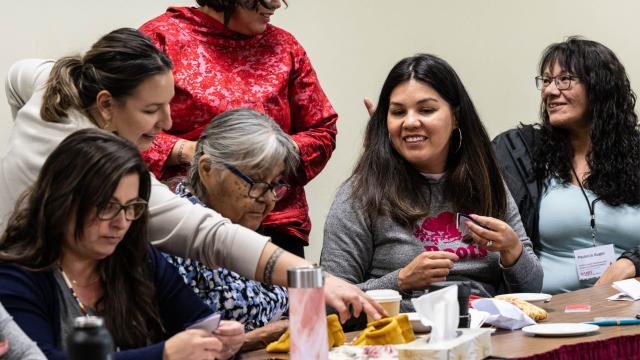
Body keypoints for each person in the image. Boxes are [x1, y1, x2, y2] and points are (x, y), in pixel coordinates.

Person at [0, 28, 384, 325]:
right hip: (27, 277)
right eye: (152, 109)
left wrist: (22, 133)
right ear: (106, 105)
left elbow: (17, 76)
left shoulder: (61, 85)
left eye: (168, 104)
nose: (167, 123)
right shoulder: (95, 171)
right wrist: (313, 278)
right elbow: (209, 234)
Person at [321, 54, 543, 315]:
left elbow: (532, 289)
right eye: (398, 112)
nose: (411, 122)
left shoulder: (485, 180)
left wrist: (512, 250)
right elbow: (328, 305)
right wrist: (400, 281)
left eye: (426, 110)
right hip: (404, 339)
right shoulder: (360, 194)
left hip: (488, 333)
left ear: (456, 118)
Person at [0, 129, 246, 359]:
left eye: (132, 207)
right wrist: (163, 354)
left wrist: (221, 337)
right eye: (108, 206)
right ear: (63, 201)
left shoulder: (135, 255)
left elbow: (197, 320)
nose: (122, 222)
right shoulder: (17, 274)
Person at [139, 0, 338, 257]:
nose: (276, 3)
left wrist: (266, 159)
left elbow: (322, 130)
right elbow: (121, 130)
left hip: (274, 226)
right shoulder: (161, 39)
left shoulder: (285, 47)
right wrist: (187, 151)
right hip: (186, 224)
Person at [492, 37, 640, 294]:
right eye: (547, 81)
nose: (550, 91)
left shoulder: (635, 155)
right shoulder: (523, 153)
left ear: (599, 87)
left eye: (564, 79)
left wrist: (631, 263)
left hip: (627, 305)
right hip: (549, 311)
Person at [165, 108, 296, 349]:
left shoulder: (242, 224)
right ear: (207, 169)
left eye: (275, 185)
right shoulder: (175, 236)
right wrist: (255, 339)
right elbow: (169, 345)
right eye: (255, 182)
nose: (268, 199)